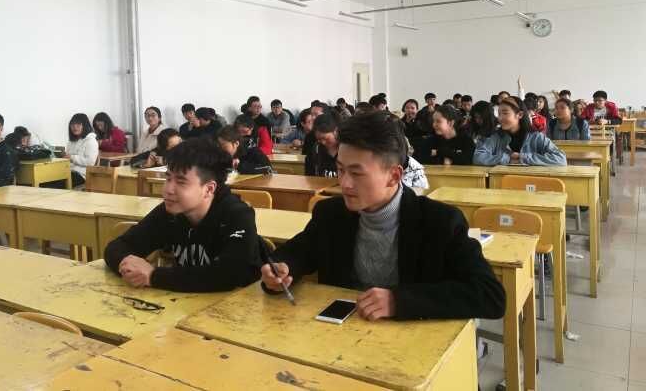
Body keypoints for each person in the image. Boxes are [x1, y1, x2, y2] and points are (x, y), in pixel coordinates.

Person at [260, 111, 505, 321]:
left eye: (357, 173)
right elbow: (298, 252)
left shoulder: (439, 222)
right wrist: (281, 269)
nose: (344, 183)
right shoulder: (331, 214)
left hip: (413, 343)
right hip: (344, 335)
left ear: (394, 176)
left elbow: (490, 295)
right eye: (340, 170)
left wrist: (399, 301)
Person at [104, 137, 261, 292]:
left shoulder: (237, 214)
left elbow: (230, 274)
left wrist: (153, 276)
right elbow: (117, 247)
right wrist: (129, 265)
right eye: (168, 178)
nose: (168, 189)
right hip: (188, 303)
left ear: (209, 189)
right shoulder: (170, 212)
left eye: (181, 182)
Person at [473, 97, 566, 166]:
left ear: (520, 114)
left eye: (505, 113)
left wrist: (523, 157)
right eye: (499, 114)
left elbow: (560, 159)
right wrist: (507, 159)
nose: (500, 118)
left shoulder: (536, 137)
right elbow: (478, 157)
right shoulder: (496, 136)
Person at [64, 113, 99, 187]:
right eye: (72, 125)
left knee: (53, 184)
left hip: (81, 175)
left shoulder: (91, 141)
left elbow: (90, 162)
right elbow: (68, 159)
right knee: (47, 180)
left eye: (78, 125)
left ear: (85, 126)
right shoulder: (71, 142)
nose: (75, 127)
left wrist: (72, 157)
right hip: (68, 171)